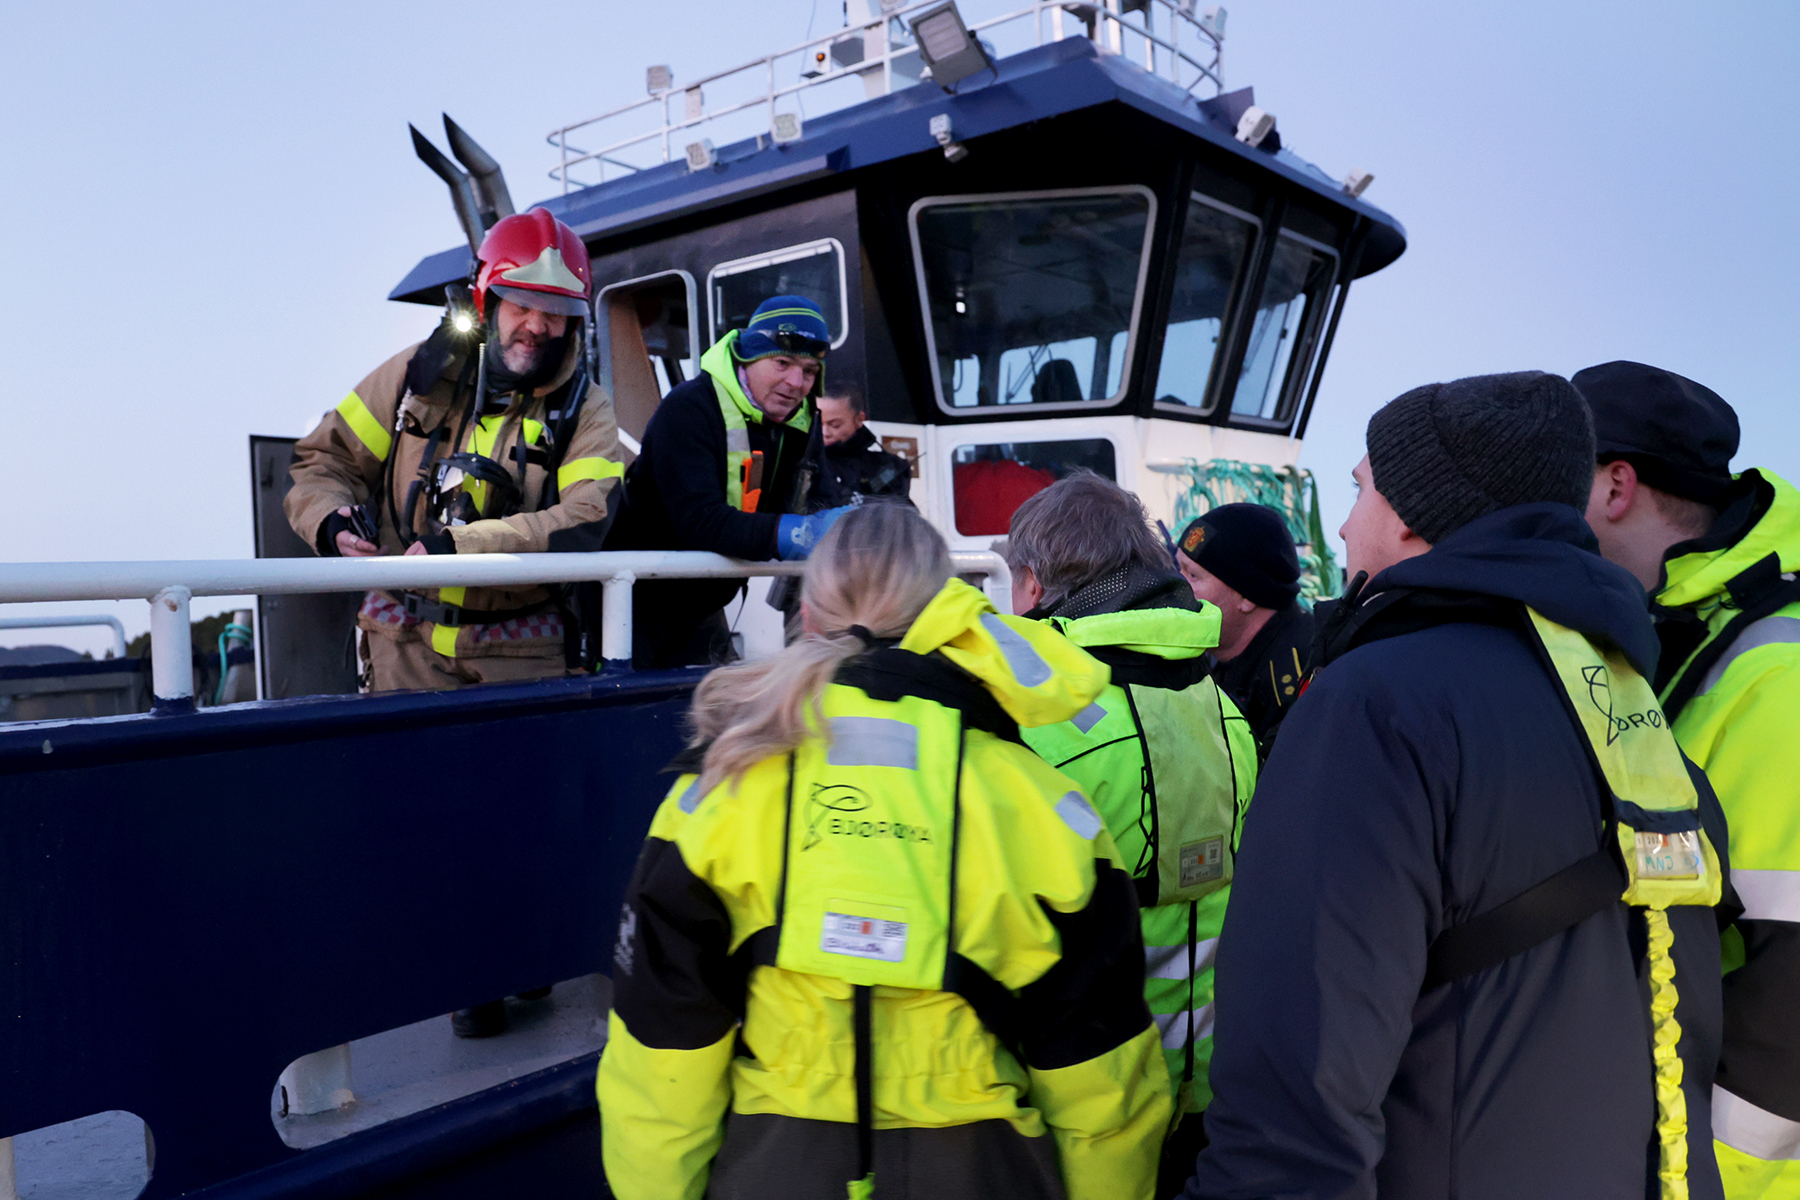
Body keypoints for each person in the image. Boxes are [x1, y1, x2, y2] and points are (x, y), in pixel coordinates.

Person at [1184, 372, 1730, 1200]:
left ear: (1409, 512)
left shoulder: (1375, 706)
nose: (1341, 524)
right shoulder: (1636, 718)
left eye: (1359, 488)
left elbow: (1298, 1094)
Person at [598, 504, 1172, 1200]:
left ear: (808, 615)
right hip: (984, 1169)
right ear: (948, 616)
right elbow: (1104, 1085)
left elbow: (662, 1065)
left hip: (774, 1167)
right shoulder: (1045, 811)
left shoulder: (717, 795)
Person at [1576, 360, 1800, 1199]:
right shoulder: (1677, 633)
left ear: (1615, 485)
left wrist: (1701, 1177)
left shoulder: (1776, 669)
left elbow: (1793, 987)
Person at [1001, 472, 1258, 1200]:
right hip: (1211, 1086)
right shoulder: (1223, 710)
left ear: (1031, 585)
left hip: (1085, 1101)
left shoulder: (1035, 729)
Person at [285, 207, 622, 693]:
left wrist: (461, 549)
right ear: (487, 303)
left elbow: (588, 517)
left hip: (520, 653)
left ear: (573, 323)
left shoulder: (587, 409)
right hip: (401, 644)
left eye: (554, 312)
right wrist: (330, 520)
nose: (536, 325)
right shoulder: (413, 377)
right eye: (520, 305)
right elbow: (325, 460)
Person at [603, 295, 852, 667]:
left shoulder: (803, 421)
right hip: (633, 604)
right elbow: (699, 521)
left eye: (810, 371)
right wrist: (799, 535)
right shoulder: (688, 408)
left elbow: (822, 499)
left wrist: (853, 527)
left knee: (717, 714)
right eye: (782, 363)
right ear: (747, 358)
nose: (796, 383)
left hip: (703, 607)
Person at [1173, 503, 1315, 750]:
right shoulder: (1210, 661)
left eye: (1193, 576)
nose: (1176, 587)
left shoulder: (1300, 673)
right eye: (1178, 569)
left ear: (1247, 597)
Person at [814, 382, 911, 504]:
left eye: (835, 425)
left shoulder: (887, 467)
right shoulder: (804, 461)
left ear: (859, 419)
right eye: (818, 423)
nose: (825, 432)